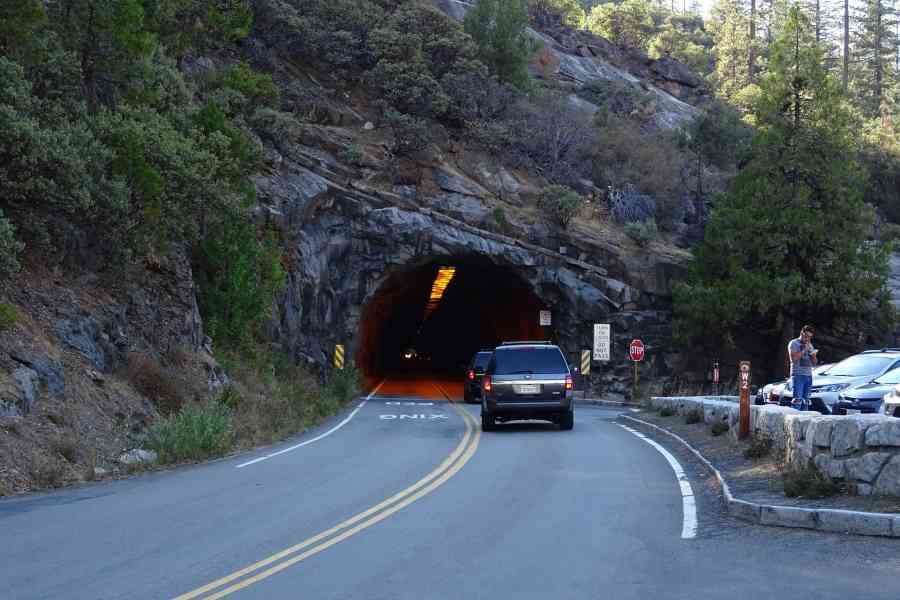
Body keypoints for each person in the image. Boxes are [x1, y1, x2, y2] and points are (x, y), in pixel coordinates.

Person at [788, 325, 818, 411]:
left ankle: (804, 422)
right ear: (802, 333)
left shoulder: (810, 345)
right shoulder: (793, 343)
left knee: (806, 402)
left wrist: (813, 356)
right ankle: (794, 422)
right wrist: (804, 350)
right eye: (806, 336)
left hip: (808, 376)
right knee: (797, 401)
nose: (807, 339)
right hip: (798, 375)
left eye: (810, 337)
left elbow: (814, 363)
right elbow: (793, 359)